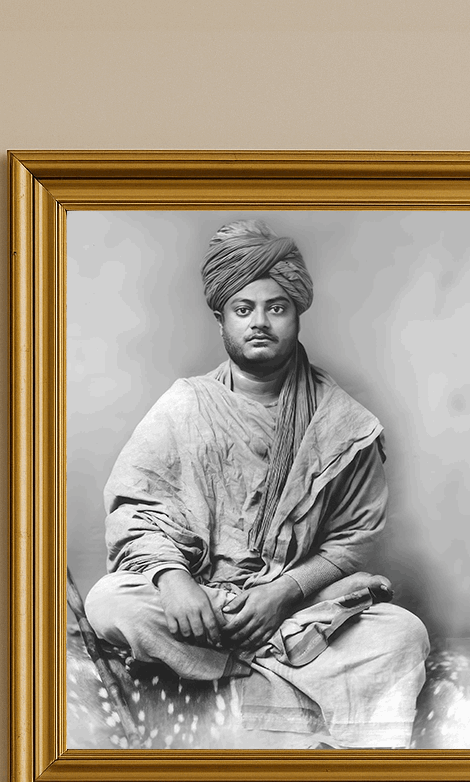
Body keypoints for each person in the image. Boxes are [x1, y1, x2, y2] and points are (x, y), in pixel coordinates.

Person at [83, 220, 429, 748]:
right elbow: (137, 509)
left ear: (297, 313)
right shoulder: (185, 405)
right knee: (112, 600)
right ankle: (278, 675)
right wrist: (174, 583)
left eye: (276, 307)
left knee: (402, 634)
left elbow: (352, 540)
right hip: (203, 606)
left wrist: (280, 594)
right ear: (221, 319)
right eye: (243, 309)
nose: (260, 322)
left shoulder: (344, 423)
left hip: (296, 607)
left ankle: (235, 679)